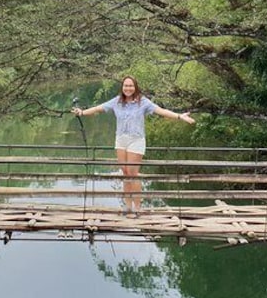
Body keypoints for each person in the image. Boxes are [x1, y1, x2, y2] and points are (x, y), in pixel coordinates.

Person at [71, 76, 195, 216]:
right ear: (122, 87)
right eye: (125, 86)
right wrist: (82, 112)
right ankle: (127, 207)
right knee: (125, 174)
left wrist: (179, 116)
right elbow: (98, 108)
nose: (128, 88)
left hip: (136, 140)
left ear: (135, 87)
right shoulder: (117, 101)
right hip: (120, 140)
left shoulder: (143, 102)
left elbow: (160, 111)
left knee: (133, 174)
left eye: (131, 86)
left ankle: (137, 208)